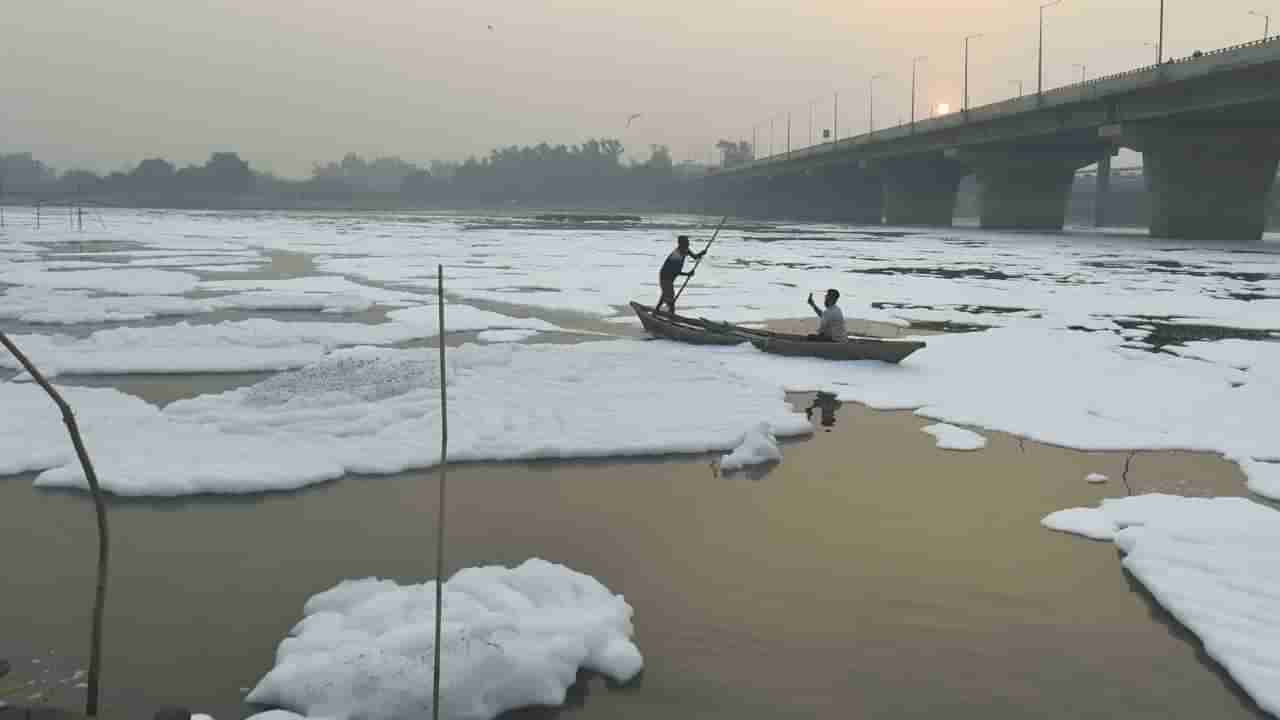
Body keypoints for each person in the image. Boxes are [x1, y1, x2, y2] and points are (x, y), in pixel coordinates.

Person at [655, 235, 705, 314]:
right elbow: (675, 271)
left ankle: (657, 311)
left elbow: (695, 257)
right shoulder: (676, 255)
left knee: (665, 294)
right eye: (686, 243)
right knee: (670, 298)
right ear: (681, 244)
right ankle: (671, 315)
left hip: (670, 277)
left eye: (688, 242)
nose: (688, 244)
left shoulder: (686, 250)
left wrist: (701, 253)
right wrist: (688, 274)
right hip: (665, 276)